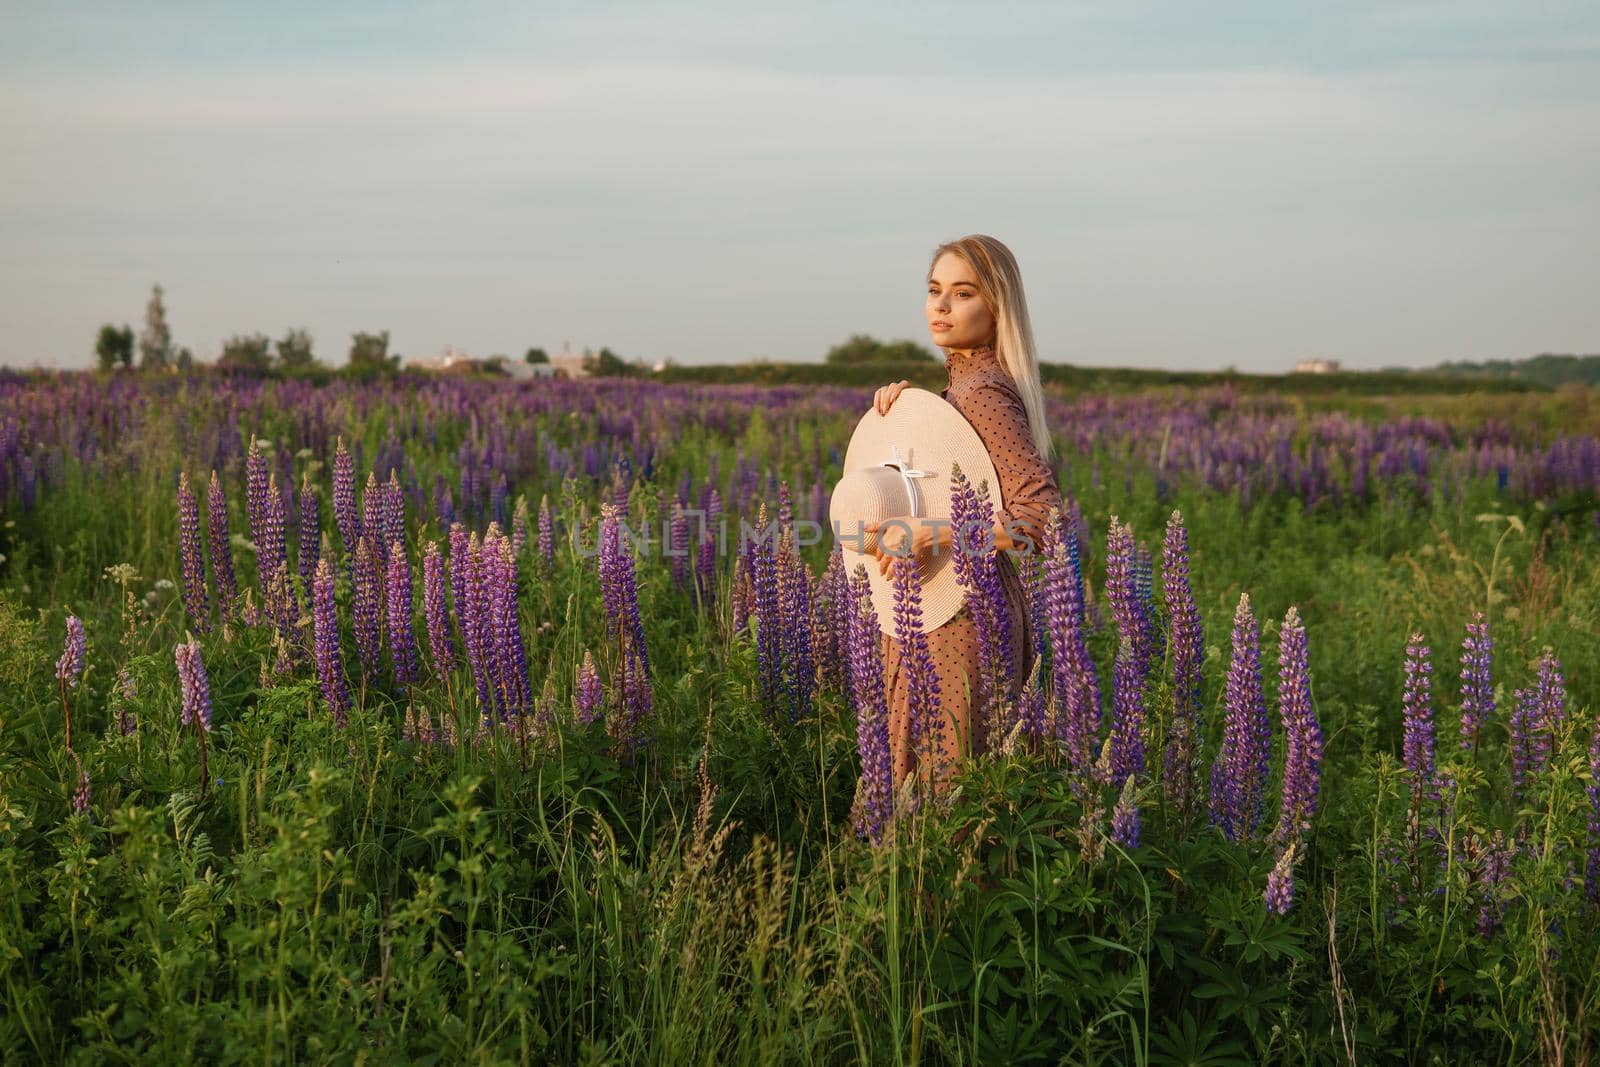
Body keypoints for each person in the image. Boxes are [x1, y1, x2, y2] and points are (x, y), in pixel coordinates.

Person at [864, 235, 1062, 795]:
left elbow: (1039, 516)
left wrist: (930, 532)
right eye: (934, 291)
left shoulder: (981, 391)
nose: (942, 306)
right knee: (945, 792)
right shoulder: (966, 387)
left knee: (945, 797)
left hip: (964, 618)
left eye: (963, 293)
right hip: (947, 604)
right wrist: (903, 418)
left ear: (996, 306)